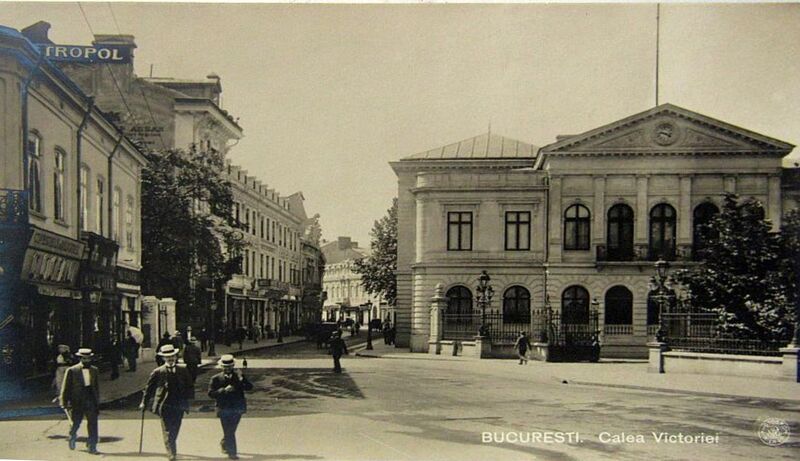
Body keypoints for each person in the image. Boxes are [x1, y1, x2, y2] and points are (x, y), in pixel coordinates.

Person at [139, 344, 193, 461]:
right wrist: (144, 402)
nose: (170, 359)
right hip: (164, 405)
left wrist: (187, 399)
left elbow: (189, 386)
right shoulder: (158, 372)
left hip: (178, 404)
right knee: (168, 430)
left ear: (176, 356)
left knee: (175, 428)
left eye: (172, 356)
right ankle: (171, 453)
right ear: (163, 358)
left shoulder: (183, 370)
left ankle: (171, 445)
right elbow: (149, 389)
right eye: (167, 357)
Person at [207, 354, 254, 460]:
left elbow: (249, 387)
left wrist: (242, 378)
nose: (227, 369)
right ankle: (232, 453)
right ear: (221, 367)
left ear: (233, 366)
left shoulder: (239, 376)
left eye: (229, 366)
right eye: (225, 367)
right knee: (228, 430)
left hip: (237, 407)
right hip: (223, 408)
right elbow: (210, 393)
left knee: (231, 429)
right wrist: (223, 390)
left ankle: (224, 442)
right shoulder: (216, 378)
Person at [60, 348, 100, 455]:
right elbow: (66, 387)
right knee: (76, 422)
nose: (86, 360)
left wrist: (97, 401)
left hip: (90, 399)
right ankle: (72, 435)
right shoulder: (72, 370)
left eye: (88, 358)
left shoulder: (94, 370)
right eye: (84, 358)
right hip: (77, 400)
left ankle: (92, 446)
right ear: (80, 358)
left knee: (93, 423)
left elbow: (96, 387)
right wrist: (64, 402)